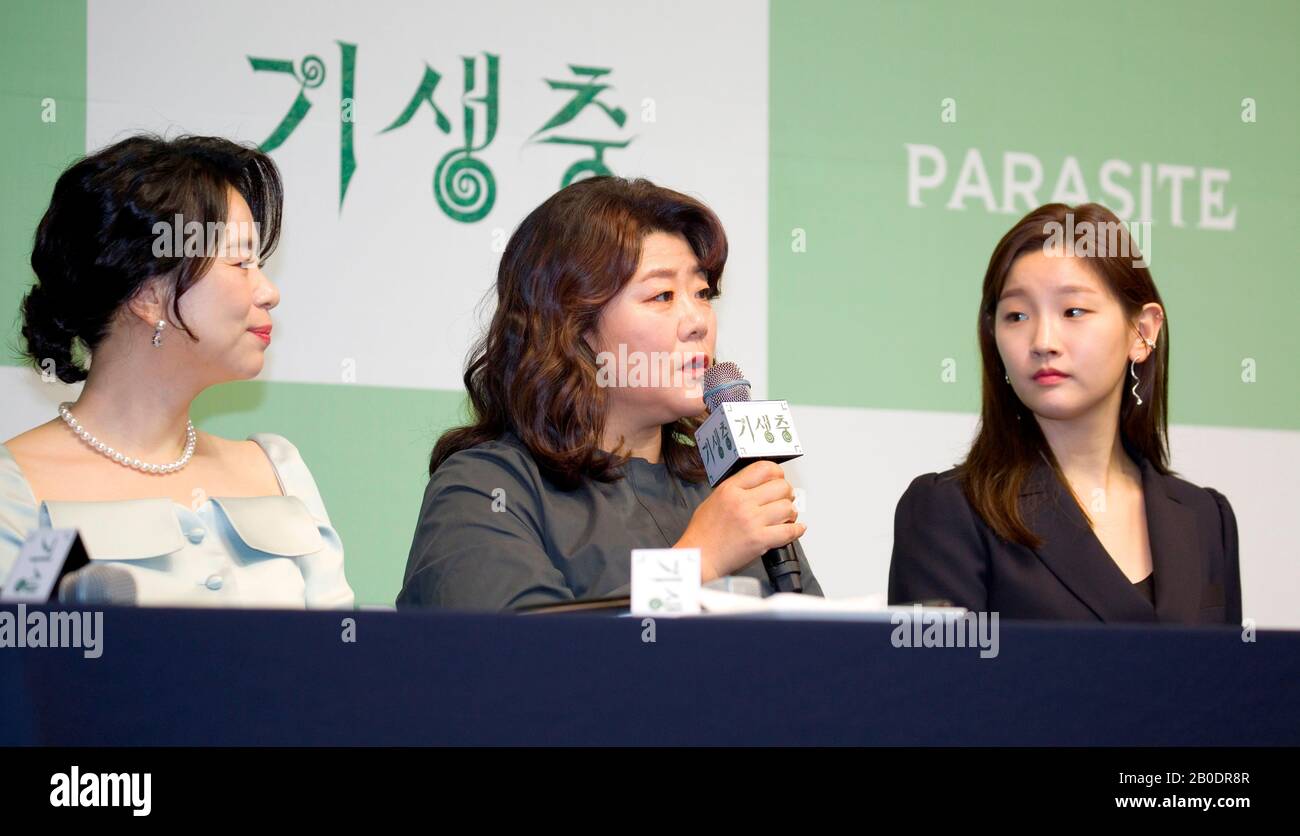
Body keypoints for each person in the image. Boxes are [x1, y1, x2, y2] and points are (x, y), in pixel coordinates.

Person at [399, 177, 821, 610]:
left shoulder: (727, 489)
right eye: (662, 295)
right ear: (572, 327)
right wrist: (697, 562)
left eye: (702, 292)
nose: (699, 320)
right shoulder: (486, 489)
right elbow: (521, 662)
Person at [0, 135, 353, 609]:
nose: (268, 291)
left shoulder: (276, 470)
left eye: (260, 264)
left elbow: (338, 664)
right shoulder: (19, 489)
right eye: (240, 262)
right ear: (147, 294)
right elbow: (23, 665)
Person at [888, 202, 1239, 624]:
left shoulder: (1204, 518)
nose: (1043, 340)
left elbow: (1229, 685)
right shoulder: (949, 511)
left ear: (1143, 332)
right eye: (1016, 315)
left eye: (1073, 311)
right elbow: (937, 688)